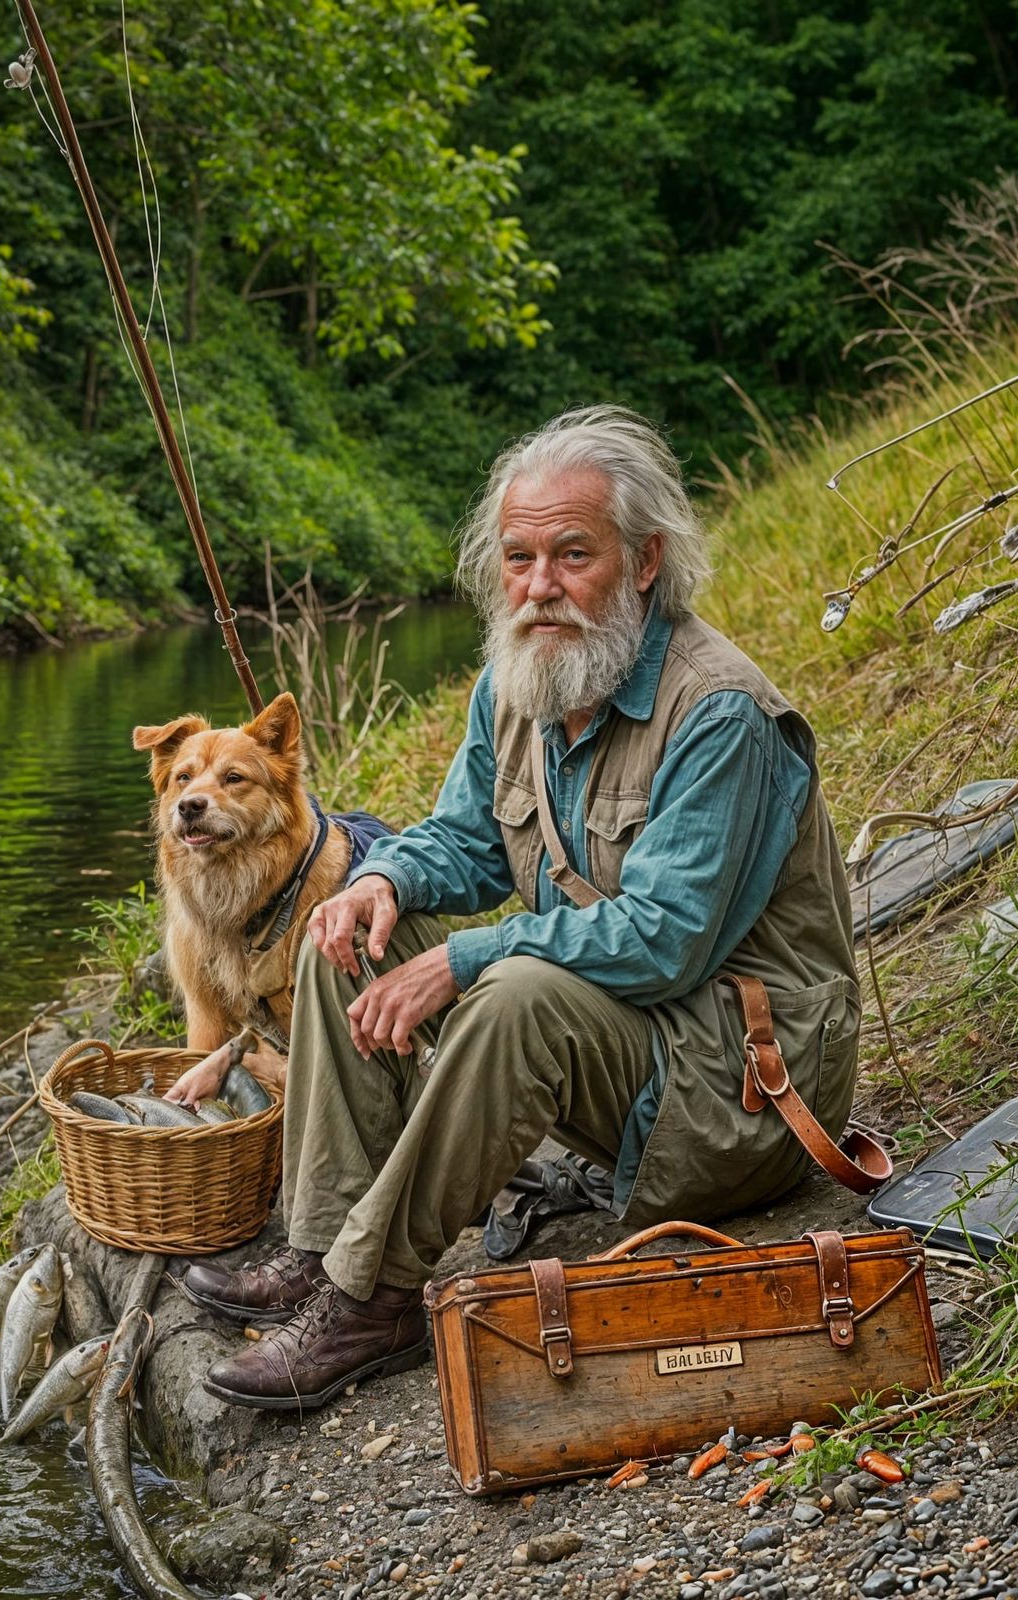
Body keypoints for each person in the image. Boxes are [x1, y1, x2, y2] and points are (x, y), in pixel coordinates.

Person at [184, 404, 862, 1412]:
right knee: (348, 934)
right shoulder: (518, 684)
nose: (539, 586)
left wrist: (465, 960)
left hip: (741, 1092)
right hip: (630, 1057)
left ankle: (370, 1299)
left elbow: (664, 941)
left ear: (644, 561)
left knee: (513, 993)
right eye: (519, 558)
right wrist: (378, 882)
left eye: (572, 555)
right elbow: (465, 841)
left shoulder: (720, 713)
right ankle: (321, 1248)